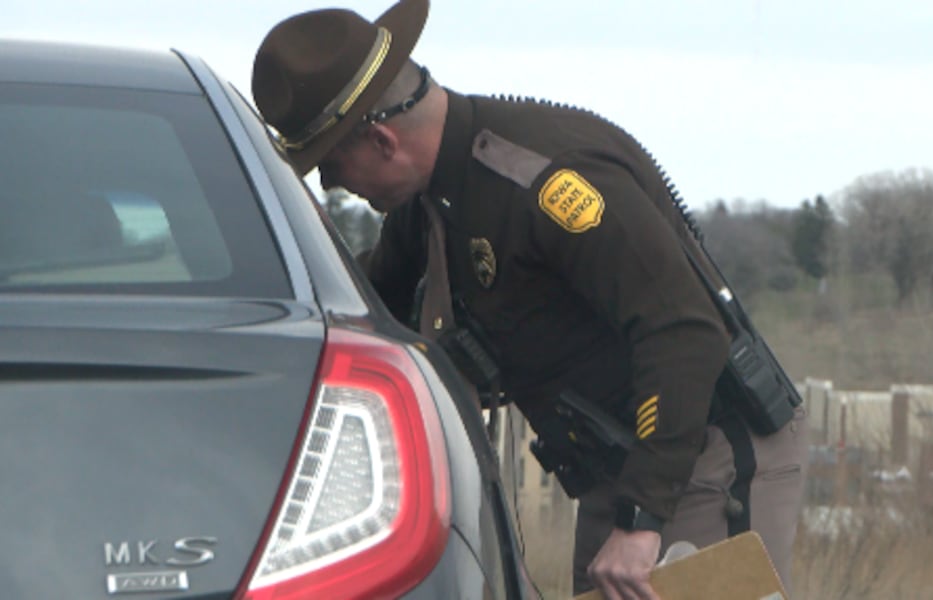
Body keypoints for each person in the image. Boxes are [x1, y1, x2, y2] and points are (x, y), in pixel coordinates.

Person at [251, 2, 808, 597]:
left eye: (333, 162)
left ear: (383, 141)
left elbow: (684, 332)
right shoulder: (431, 202)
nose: (334, 186)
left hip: (698, 458)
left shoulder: (542, 183)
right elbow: (364, 304)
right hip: (623, 468)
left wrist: (642, 521)